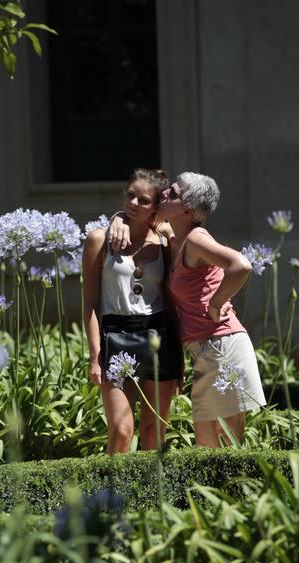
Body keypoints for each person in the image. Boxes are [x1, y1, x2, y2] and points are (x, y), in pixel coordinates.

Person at [110, 171, 265, 447]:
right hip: (205, 351)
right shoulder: (174, 237)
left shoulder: (196, 239)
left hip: (223, 346)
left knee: (229, 446)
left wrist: (216, 303)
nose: (165, 193)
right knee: (206, 446)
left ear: (187, 209)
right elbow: (139, 219)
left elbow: (241, 265)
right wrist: (118, 218)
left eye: (174, 193)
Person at [82, 168, 182, 454]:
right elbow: (90, 302)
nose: (133, 204)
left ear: (156, 206)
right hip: (115, 334)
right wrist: (94, 355)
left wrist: (181, 359)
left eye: (143, 200)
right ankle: (111, 497)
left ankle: (151, 498)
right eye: (130, 196)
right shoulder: (99, 240)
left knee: (154, 432)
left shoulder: (165, 241)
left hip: (159, 335)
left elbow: (171, 301)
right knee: (122, 430)